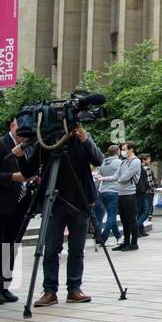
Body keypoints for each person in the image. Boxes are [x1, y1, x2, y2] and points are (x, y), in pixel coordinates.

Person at [22, 120, 104, 307]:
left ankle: (74, 288)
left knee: (77, 249)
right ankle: (49, 290)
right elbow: (29, 169)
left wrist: (85, 140)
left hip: (79, 201)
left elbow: (98, 160)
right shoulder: (48, 140)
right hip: (54, 201)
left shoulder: (82, 137)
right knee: (51, 249)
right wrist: (21, 155)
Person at [0, 118, 32, 306]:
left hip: (18, 206)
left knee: (11, 247)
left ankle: (4, 286)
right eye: (20, 125)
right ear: (12, 126)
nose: (23, 130)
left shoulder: (28, 148)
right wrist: (13, 177)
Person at [112, 143, 142, 251]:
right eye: (122, 149)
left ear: (131, 149)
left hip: (130, 194)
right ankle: (126, 242)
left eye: (124, 149)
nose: (122, 151)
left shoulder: (136, 161)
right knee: (124, 220)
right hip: (121, 194)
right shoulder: (124, 162)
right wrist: (103, 178)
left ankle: (134, 243)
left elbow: (126, 176)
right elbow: (116, 175)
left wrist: (118, 180)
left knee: (131, 220)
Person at [96, 145, 122, 247]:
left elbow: (99, 177)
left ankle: (118, 237)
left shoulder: (103, 163)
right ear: (118, 152)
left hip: (103, 192)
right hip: (114, 191)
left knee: (111, 215)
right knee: (112, 216)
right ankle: (103, 238)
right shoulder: (120, 163)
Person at [137, 154, 156, 232]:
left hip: (138, 192)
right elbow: (150, 182)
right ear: (143, 160)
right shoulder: (147, 168)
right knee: (146, 211)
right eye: (148, 159)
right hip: (147, 192)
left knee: (140, 211)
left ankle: (141, 230)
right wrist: (154, 189)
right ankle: (136, 227)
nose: (150, 160)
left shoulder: (137, 167)